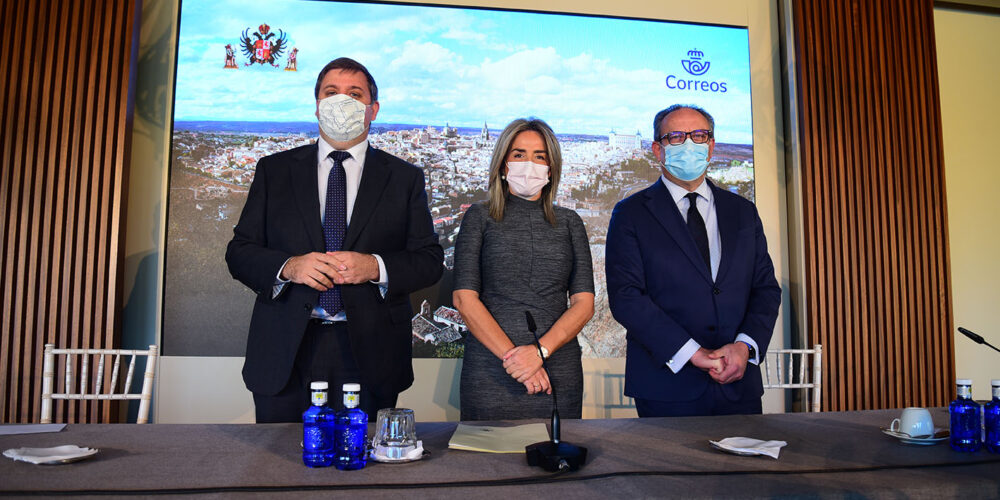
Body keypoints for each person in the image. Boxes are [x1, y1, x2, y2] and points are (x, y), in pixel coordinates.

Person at [225, 57, 443, 423]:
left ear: (373, 109)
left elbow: (428, 259)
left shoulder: (405, 178)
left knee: (364, 470)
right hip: (287, 346)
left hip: (370, 350)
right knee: (277, 468)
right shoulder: (274, 171)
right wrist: (289, 267)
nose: (342, 101)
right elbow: (240, 252)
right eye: (331, 92)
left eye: (355, 94)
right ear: (316, 106)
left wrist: (375, 266)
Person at [605, 104, 781, 417]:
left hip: (737, 384)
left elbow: (765, 288)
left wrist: (744, 347)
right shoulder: (631, 214)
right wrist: (693, 353)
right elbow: (627, 297)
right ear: (658, 150)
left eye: (699, 135)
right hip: (666, 386)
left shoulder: (743, 212)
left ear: (711, 146)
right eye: (676, 137)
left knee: (744, 468)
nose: (690, 144)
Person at [452, 118, 595, 421]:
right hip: (491, 369)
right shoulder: (479, 217)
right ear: (503, 165)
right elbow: (465, 299)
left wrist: (539, 353)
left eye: (539, 156)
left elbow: (584, 304)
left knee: (557, 461)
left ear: (551, 167)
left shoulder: (570, 223)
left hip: (557, 369)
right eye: (518, 155)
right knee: (486, 465)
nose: (528, 164)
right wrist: (517, 361)